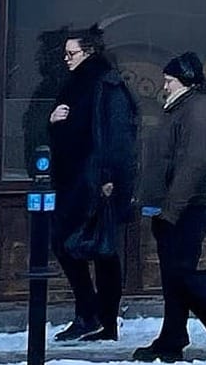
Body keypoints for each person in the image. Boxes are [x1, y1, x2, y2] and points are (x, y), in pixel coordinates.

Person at [133, 52, 206, 363]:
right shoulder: (182, 108)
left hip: (190, 205)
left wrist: (171, 209)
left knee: (181, 272)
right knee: (174, 275)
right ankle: (171, 339)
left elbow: (194, 163)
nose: (165, 85)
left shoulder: (198, 110)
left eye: (170, 80)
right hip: (174, 204)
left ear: (186, 80)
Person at [48, 29, 138, 342]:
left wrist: (110, 178)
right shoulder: (78, 85)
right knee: (76, 246)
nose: (66, 59)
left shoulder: (105, 85)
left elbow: (118, 137)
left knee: (98, 250)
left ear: (87, 52)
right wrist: (54, 122)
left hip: (95, 182)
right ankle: (94, 315)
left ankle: (100, 318)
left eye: (71, 53)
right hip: (77, 178)